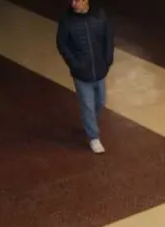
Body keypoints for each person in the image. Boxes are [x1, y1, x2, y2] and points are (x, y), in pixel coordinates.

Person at [56, 0, 114, 154]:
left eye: (78, 0)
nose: (74, 4)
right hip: (81, 73)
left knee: (100, 101)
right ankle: (93, 137)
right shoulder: (67, 21)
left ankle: (89, 123)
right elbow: (62, 44)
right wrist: (74, 64)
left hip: (99, 70)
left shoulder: (99, 15)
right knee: (87, 105)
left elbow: (108, 36)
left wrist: (107, 58)